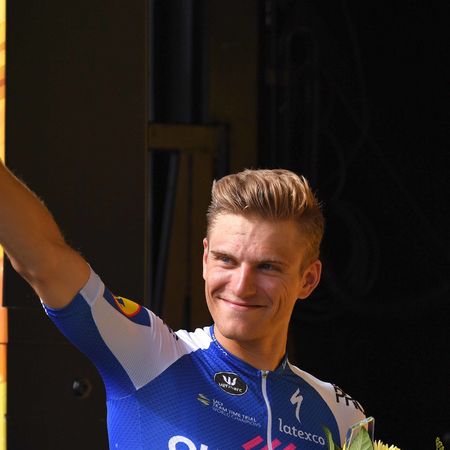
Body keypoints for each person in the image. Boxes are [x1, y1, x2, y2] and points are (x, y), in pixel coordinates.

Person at [0, 163, 365, 449]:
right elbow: (44, 260)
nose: (242, 286)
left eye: (268, 267)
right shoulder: (149, 354)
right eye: (226, 260)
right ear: (205, 259)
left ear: (308, 279)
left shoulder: (341, 417)